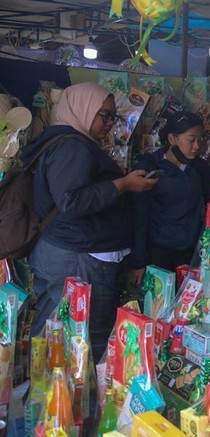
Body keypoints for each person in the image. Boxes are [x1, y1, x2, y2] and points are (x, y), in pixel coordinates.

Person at [21, 82, 158, 363]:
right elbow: (71, 202)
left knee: (60, 330)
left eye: (112, 117)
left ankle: (53, 401)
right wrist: (122, 184)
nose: (109, 123)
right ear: (82, 110)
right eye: (103, 115)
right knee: (76, 334)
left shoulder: (71, 142)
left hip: (73, 250)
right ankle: (58, 402)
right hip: (77, 255)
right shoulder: (72, 147)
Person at [128, 111, 210, 285]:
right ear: (172, 139)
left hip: (191, 254)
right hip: (157, 254)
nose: (197, 146)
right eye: (191, 140)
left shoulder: (199, 168)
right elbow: (139, 218)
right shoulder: (149, 167)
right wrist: (138, 262)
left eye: (200, 140)